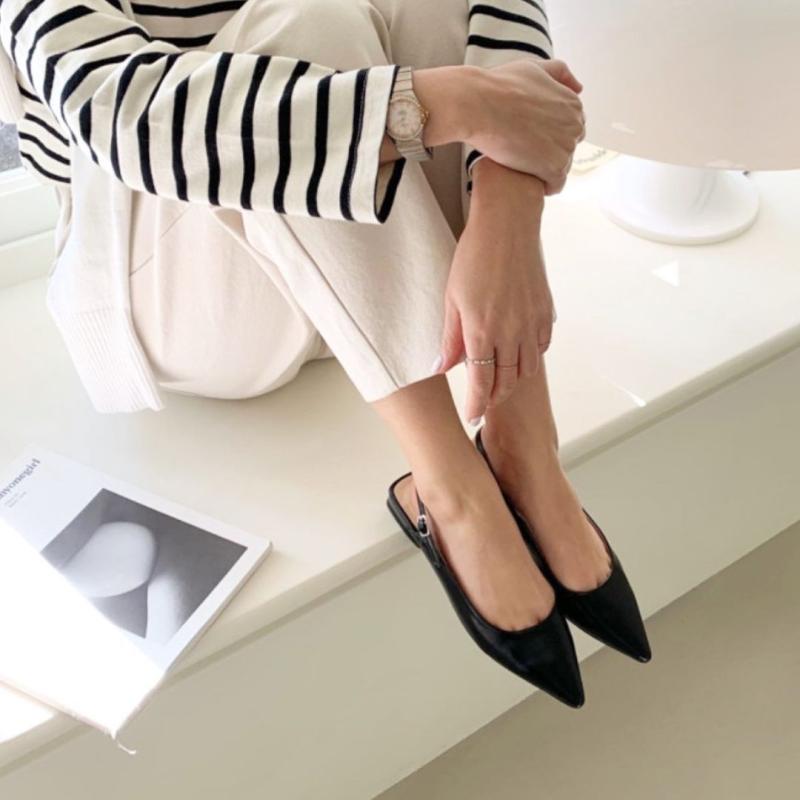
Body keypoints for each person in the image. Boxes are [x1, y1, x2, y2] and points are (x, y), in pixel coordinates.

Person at [0, 0, 650, 706]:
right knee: (305, 27)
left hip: (361, 271)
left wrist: (507, 211)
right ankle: (450, 486)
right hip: (182, 294)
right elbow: (121, 113)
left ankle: (524, 444)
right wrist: (471, 102)